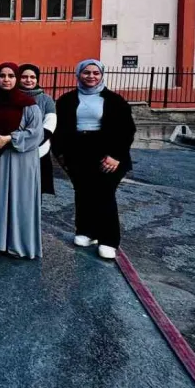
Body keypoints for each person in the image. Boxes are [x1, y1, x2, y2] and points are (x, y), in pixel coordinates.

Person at [53, 59, 136, 261]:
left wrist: (116, 156)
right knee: (83, 192)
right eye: (86, 72)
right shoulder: (66, 100)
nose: (91, 76)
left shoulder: (115, 101)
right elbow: (59, 129)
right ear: (78, 74)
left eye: (96, 73)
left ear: (102, 75)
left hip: (107, 152)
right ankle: (86, 232)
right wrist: (62, 155)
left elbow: (127, 131)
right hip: (78, 152)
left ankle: (108, 240)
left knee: (104, 194)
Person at [0, 63, 44, 259]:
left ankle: (19, 244)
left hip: (20, 159)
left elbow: (36, 134)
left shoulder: (28, 104)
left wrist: (8, 139)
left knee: (20, 200)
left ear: (16, 79)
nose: (6, 79)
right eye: (2, 75)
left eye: (10, 76)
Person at [18, 64, 57, 195]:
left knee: (35, 192)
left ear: (37, 79)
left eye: (32, 77)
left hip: (39, 151)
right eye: (24, 77)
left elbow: (49, 124)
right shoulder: (11, 97)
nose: (28, 80)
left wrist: (31, 142)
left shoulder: (46, 100)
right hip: (15, 150)